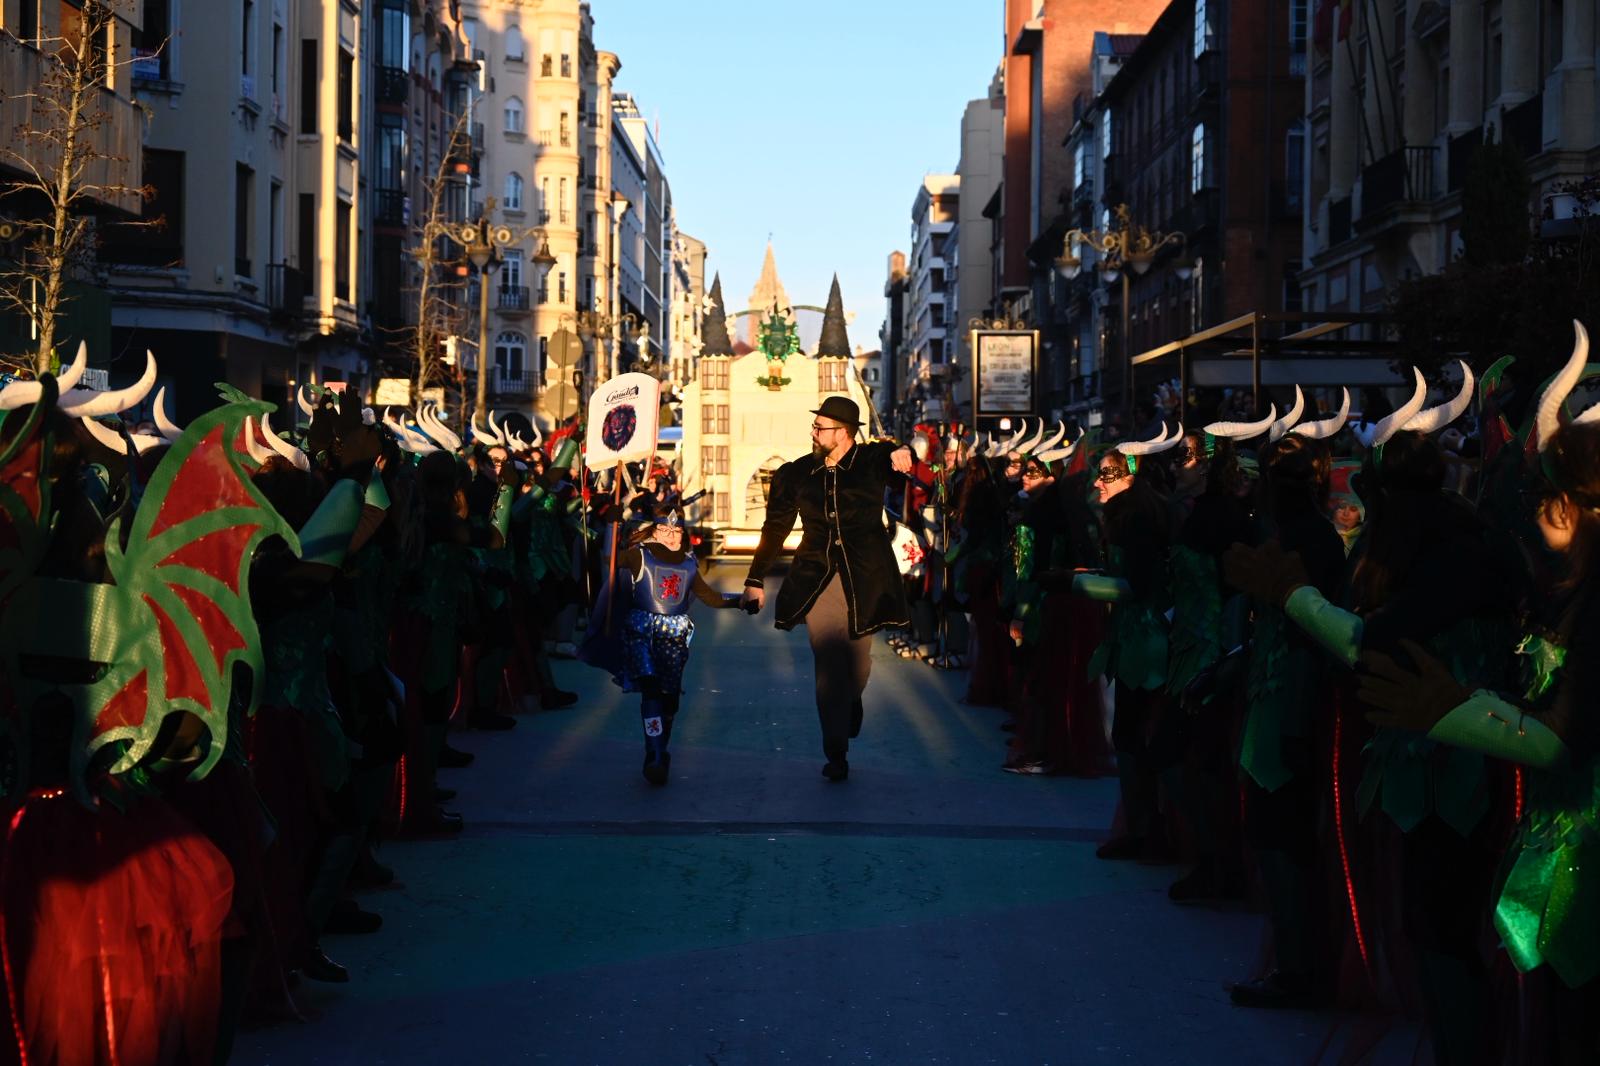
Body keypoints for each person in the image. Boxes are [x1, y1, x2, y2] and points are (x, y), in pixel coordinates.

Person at [742, 396, 914, 781]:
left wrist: (903, 451)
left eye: (820, 427)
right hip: (816, 579)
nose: (813, 433)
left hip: (865, 577)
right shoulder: (797, 474)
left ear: (845, 433)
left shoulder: (870, 462)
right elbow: (775, 529)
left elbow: (894, 454)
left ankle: (852, 699)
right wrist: (755, 579)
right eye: (814, 426)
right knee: (828, 664)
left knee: (858, 665)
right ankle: (836, 751)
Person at [595, 509, 742, 785]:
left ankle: (661, 746)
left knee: (669, 698)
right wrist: (612, 528)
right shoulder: (639, 556)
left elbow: (710, 597)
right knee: (650, 689)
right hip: (642, 630)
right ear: (653, 532)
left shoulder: (688, 565)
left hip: (674, 634)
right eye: (665, 530)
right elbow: (608, 561)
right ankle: (654, 753)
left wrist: (741, 600)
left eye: (677, 531)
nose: (672, 535)